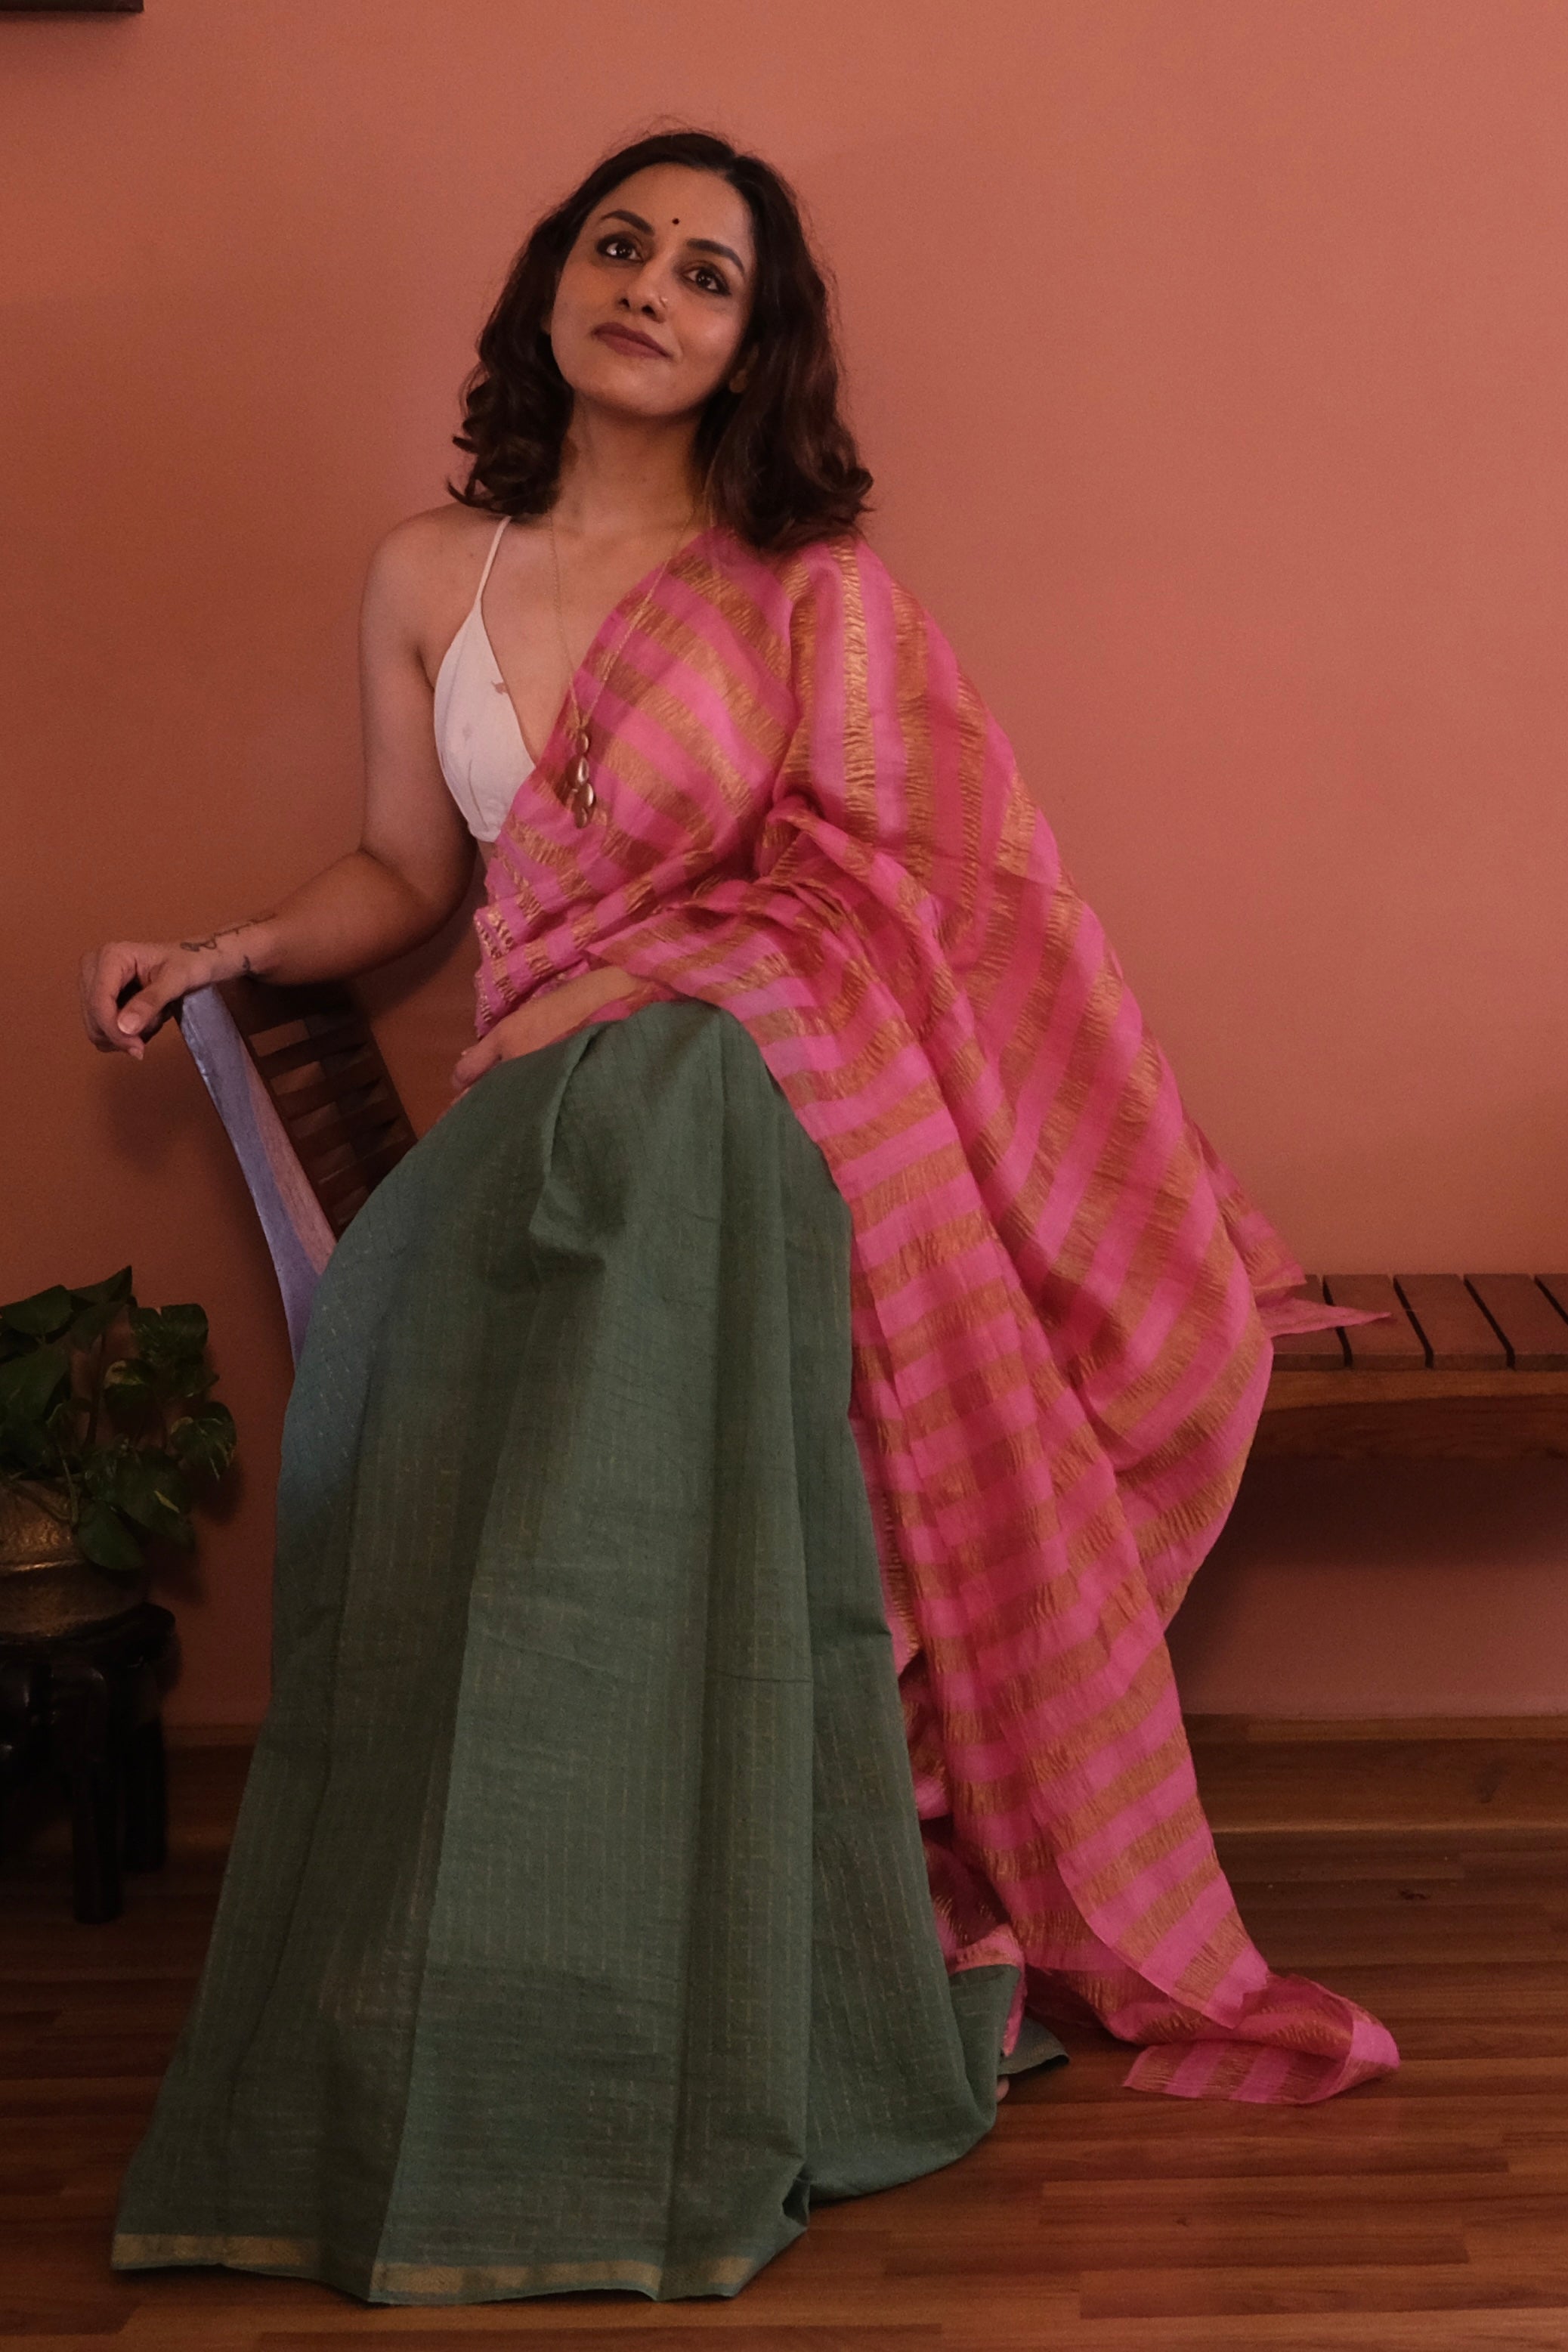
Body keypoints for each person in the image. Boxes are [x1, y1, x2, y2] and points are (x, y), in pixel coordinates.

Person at [76, 128, 1393, 2307]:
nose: (652, 289)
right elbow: (405, 875)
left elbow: (910, 885)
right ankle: (496, 2003)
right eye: (622, 246)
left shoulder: (811, 597)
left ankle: (714, 1990)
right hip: (540, 1133)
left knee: (675, 1100)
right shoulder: (427, 574)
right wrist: (226, 947)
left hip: (763, 1122)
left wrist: (649, 974)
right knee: (505, 1368)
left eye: (707, 274)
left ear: (749, 343)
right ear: (553, 281)